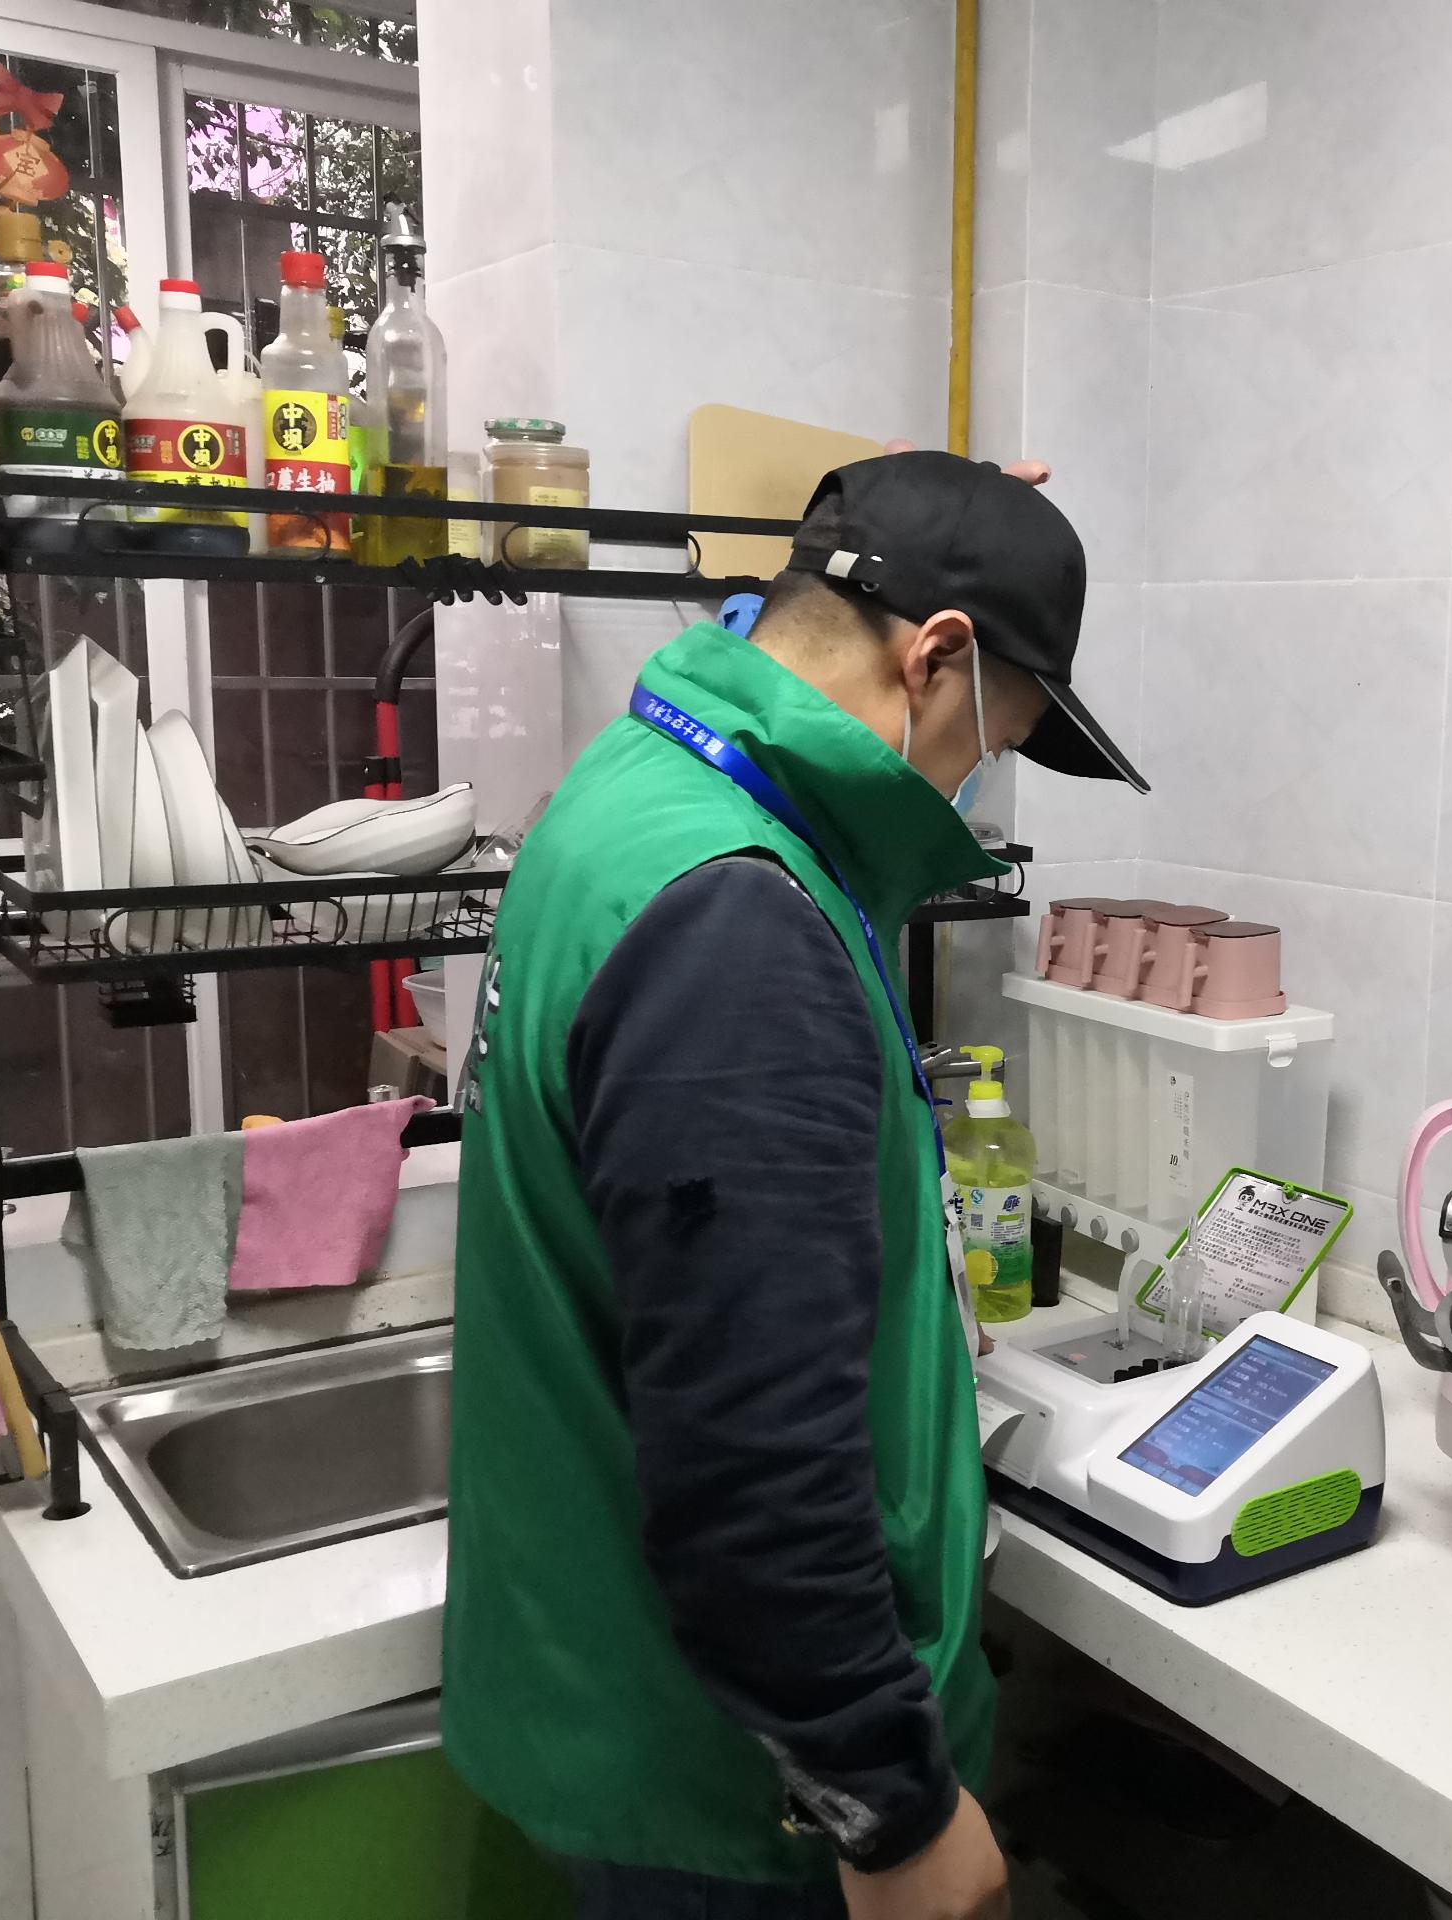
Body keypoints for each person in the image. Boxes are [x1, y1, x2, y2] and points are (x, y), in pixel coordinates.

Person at [442, 449, 1148, 1920]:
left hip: (611, 1702)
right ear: (934, 659)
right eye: (997, 737)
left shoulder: (638, 791)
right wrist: (890, 1810)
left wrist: (944, 506)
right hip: (729, 1790)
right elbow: (754, 1452)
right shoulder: (741, 924)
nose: (975, 779)